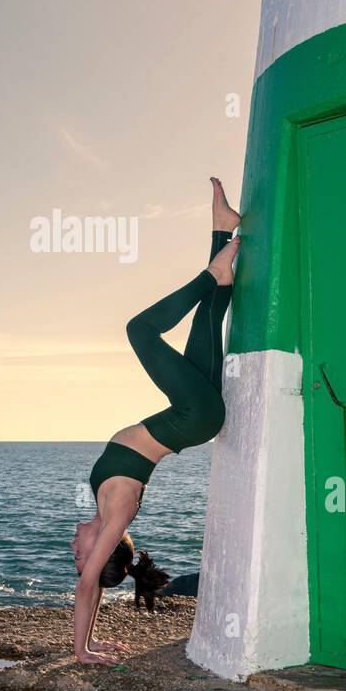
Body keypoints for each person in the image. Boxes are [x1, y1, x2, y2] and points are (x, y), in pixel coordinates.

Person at [71, 177, 240, 664]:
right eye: (84, 557)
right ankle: (210, 271)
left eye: (78, 557)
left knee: (208, 319)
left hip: (196, 416)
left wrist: (94, 639)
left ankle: (223, 235)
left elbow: (91, 586)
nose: (75, 551)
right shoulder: (116, 517)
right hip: (194, 417)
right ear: (108, 549)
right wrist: (82, 650)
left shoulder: (106, 509)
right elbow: (88, 588)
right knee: (139, 330)